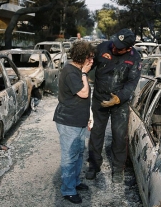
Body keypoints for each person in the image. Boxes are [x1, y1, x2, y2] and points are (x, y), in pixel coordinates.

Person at [86, 28, 142, 183]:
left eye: (119, 47)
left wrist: (118, 98)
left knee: (119, 136)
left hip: (119, 104)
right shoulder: (103, 47)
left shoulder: (135, 58)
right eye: (114, 43)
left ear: (129, 48)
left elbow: (132, 83)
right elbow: (88, 65)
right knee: (96, 134)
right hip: (99, 100)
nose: (114, 48)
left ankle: (118, 169)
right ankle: (94, 166)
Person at [53, 41, 94, 204]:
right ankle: (68, 190)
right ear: (82, 57)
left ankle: (75, 182)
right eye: (90, 57)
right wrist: (84, 74)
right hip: (69, 121)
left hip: (79, 120)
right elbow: (84, 93)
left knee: (78, 154)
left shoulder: (76, 69)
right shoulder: (72, 72)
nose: (92, 61)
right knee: (70, 156)